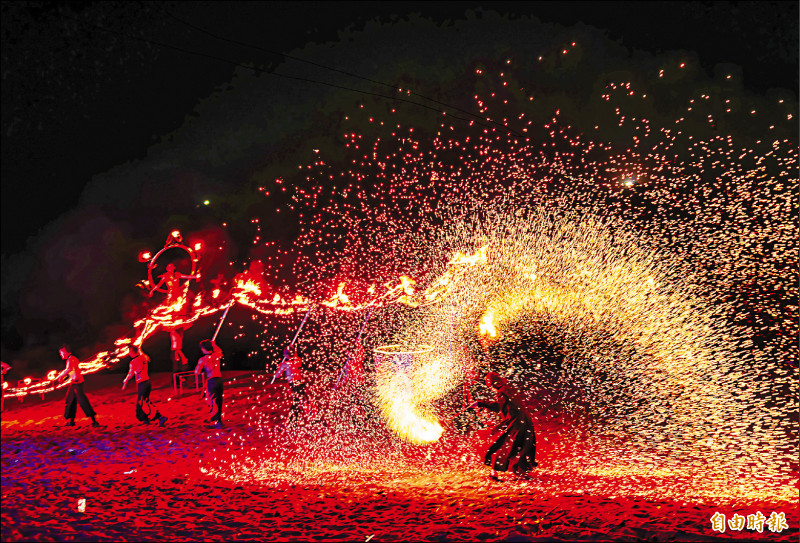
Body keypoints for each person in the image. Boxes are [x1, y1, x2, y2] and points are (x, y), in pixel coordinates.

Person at [470, 371, 537, 480]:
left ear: (493, 384)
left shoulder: (502, 392)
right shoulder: (509, 389)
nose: (491, 389)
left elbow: (497, 407)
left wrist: (480, 403)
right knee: (521, 446)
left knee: (501, 445)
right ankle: (520, 472)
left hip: (515, 422)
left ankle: (494, 472)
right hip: (525, 422)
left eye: (490, 386)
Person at [55, 345, 100, 427]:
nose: (61, 355)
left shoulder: (71, 359)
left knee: (83, 401)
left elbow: (68, 369)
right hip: (74, 383)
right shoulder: (70, 359)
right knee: (70, 401)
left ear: (65, 352)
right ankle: (71, 421)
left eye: (61, 353)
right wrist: (63, 378)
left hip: (77, 383)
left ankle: (94, 421)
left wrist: (60, 377)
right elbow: (71, 372)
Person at [122, 345, 167, 426]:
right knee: (143, 401)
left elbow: (130, 374)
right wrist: (140, 349)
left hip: (142, 384)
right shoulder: (144, 357)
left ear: (133, 352)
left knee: (143, 402)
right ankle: (145, 419)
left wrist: (125, 380)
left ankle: (160, 417)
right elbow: (146, 357)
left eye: (129, 351)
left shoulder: (133, 362)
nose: (128, 353)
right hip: (147, 383)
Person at [273, 345, 310, 420]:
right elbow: (295, 356)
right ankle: (303, 416)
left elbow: (276, 375)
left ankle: (294, 419)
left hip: (294, 384)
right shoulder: (298, 360)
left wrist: (279, 367)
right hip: (300, 383)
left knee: (297, 402)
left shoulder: (285, 364)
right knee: (300, 400)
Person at [195, 339, 224, 428]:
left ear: (204, 348)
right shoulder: (217, 355)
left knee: (212, 401)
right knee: (218, 400)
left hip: (211, 381)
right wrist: (214, 345)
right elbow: (220, 351)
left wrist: (202, 367)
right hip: (219, 380)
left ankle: (218, 422)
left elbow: (196, 372)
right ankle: (214, 417)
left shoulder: (202, 359)